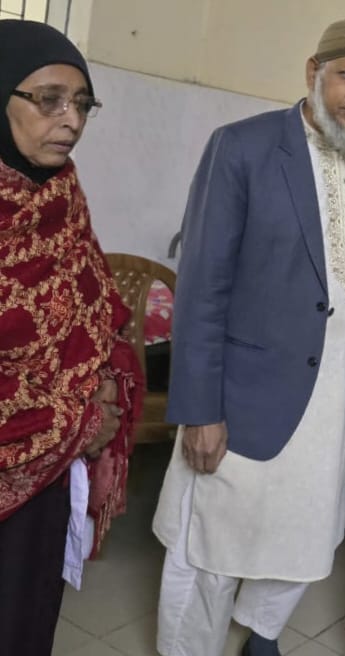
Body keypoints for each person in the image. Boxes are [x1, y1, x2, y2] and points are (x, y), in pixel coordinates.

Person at [151, 19, 345, 656]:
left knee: (303, 536)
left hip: (330, 399)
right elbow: (202, 287)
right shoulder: (243, 147)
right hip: (245, 398)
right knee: (209, 548)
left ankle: (260, 637)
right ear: (313, 72)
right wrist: (201, 409)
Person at [0, 20, 143, 655]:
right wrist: (75, 422)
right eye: (49, 100)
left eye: (83, 104)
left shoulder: (62, 194)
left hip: (48, 484)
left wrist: (103, 384)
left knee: (26, 616)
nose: (72, 121)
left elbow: (96, 310)